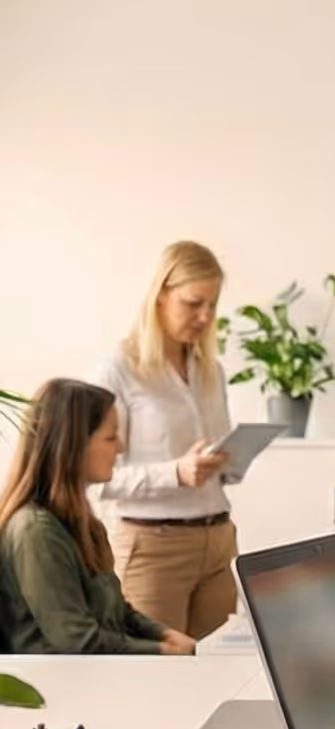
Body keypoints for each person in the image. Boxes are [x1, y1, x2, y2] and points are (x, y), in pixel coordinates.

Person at [96, 241, 236, 641]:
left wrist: (229, 462)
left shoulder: (211, 370)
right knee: (155, 679)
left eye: (212, 305)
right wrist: (175, 472)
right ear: (160, 295)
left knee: (216, 673)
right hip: (154, 548)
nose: (205, 316)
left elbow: (213, 461)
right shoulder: (119, 369)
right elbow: (100, 477)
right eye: (193, 303)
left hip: (218, 541)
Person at [0, 379, 195, 655]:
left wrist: (165, 634)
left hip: (99, 676)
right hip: (65, 688)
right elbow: (76, 641)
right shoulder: (36, 531)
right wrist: (162, 651)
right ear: (73, 445)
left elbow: (117, 612)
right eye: (111, 436)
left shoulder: (84, 524)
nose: (121, 447)